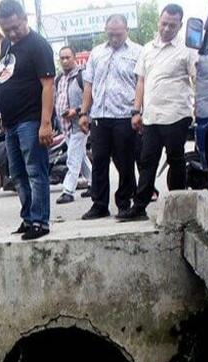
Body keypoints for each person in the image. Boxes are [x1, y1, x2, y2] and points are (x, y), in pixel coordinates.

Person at [120, 3, 197, 221]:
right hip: (151, 117)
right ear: (158, 22)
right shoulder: (147, 49)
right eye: (164, 24)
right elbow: (141, 82)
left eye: (172, 25)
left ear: (180, 25)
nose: (166, 29)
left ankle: (177, 206)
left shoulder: (187, 49)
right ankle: (139, 207)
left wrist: (198, 104)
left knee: (176, 160)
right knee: (147, 161)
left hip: (177, 114)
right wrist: (136, 111)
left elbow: (196, 78)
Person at [0, 0, 55, 240]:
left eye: (15, 27)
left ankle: (40, 221)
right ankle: (28, 218)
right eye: (6, 29)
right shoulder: (5, 45)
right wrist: (4, 114)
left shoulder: (38, 45)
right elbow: (7, 79)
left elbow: (48, 85)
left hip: (31, 120)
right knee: (17, 174)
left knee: (35, 171)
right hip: (11, 122)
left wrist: (45, 123)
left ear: (24, 19)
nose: (12, 33)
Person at [78, 14, 142, 220]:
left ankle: (124, 203)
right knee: (99, 162)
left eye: (119, 34)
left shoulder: (138, 52)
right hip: (100, 116)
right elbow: (89, 85)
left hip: (125, 115)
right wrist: (84, 113)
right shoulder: (97, 53)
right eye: (111, 34)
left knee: (125, 163)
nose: (114, 38)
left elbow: (142, 84)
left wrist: (138, 112)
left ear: (127, 31)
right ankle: (99, 205)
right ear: (105, 31)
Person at [54, 46, 92, 205]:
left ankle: (68, 191)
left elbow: (91, 99)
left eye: (67, 57)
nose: (64, 61)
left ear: (74, 58)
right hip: (65, 127)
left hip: (79, 125)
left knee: (73, 158)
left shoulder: (82, 76)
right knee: (80, 157)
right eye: (62, 58)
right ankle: (94, 183)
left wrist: (76, 111)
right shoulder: (59, 79)